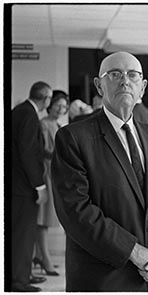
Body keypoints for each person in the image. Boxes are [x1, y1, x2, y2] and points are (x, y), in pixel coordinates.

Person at [51, 51, 148, 291]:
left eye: (133, 75)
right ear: (99, 85)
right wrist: (134, 252)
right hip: (104, 278)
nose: (125, 80)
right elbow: (76, 211)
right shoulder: (73, 138)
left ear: (143, 87)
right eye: (115, 74)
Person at [10, 81, 52, 291]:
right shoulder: (28, 114)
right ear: (45, 98)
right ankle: (18, 280)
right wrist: (39, 186)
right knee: (22, 234)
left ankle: (22, 273)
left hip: (16, 185)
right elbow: (27, 151)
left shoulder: (19, 110)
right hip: (23, 187)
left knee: (20, 233)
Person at [33, 90, 70, 277]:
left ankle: (40, 255)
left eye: (64, 106)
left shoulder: (57, 124)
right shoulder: (44, 124)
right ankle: (44, 258)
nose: (61, 109)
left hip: (53, 174)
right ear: (50, 104)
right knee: (43, 220)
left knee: (47, 219)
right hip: (45, 173)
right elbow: (42, 151)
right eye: (58, 105)